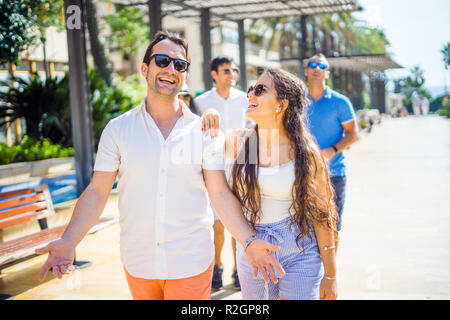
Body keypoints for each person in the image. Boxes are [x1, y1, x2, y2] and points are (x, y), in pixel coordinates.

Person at [34, 30, 285, 300]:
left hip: (191, 261)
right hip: (138, 261)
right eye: (162, 60)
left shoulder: (204, 131)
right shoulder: (117, 130)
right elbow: (97, 191)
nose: (170, 69)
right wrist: (69, 240)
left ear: (186, 75)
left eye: (180, 64)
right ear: (145, 68)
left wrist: (248, 240)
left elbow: (220, 194)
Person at [205, 68, 339, 299]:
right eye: (250, 89)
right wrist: (207, 115)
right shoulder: (238, 142)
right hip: (250, 243)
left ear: (281, 104)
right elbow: (199, 146)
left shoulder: (306, 153)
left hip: (300, 248)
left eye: (261, 90)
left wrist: (331, 275)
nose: (251, 95)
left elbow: (322, 214)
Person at [194, 56, 248, 290]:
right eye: (226, 70)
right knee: (216, 225)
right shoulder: (200, 102)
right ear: (214, 74)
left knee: (239, 222)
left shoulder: (246, 99)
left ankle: (239, 271)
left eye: (234, 70)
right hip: (213, 170)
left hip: (242, 170)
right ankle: (216, 268)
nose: (231, 74)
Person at [304, 53, 358, 232]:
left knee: (332, 227)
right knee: (305, 229)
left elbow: (353, 134)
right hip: (303, 175)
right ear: (306, 71)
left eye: (321, 66)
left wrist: (331, 150)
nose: (316, 69)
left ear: (327, 73)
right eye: (312, 65)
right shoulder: (297, 101)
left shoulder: (341, 102)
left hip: (333, 174)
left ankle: (330, 262)